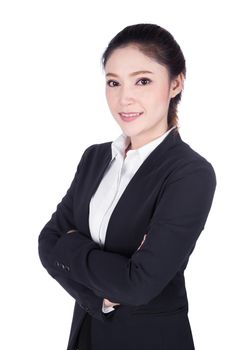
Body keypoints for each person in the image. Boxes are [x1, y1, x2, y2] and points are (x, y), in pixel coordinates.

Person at [38, 23, 217, 350]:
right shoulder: (94, 158)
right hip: (86, 336)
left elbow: (138, 285)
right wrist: (104, 294)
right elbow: (46, 243)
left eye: (143, 81)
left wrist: (71, 246)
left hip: (150, 341)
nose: (124, 97)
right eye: (113, 83)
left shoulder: (189, 173)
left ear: (175, 83)